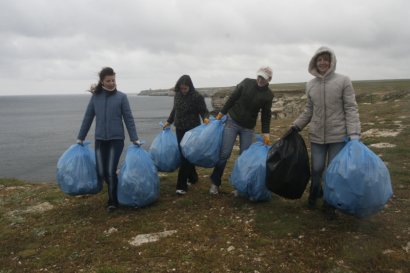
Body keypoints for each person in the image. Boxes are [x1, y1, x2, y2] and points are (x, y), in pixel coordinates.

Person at [291, 46, 361, 219]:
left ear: (332, 61)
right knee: (316, 168)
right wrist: (296, 126)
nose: (322, 62)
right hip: (316, 135)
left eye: (325, 59)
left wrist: (354, 134)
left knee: (332, 170)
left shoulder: (343, 81)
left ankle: (329, 203)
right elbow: (309, 110)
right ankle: (315, 191)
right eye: (319, 59)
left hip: (338, 135)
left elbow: (351, 108)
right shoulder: (310, 84)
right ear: (315, 62)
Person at [77, 67, 140, 212]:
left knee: (110, 171)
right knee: (101, 171)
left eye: (113, 80)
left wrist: (134, 138)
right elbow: (88, 117)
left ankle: (113, 201)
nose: (112, 83)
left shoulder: (122, 97)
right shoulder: (96, 97)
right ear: (102, 81)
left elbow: (128, 118)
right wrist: (81, 137)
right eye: (108, 81)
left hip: (116, 139)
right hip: (100, 139)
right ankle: (119, 189)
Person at [209, 66, 274, 194]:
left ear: (269, 79)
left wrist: (266, 134)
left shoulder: (268, 95)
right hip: (232, 121)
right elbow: (232, 98)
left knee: (244, 157)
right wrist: (221, 113)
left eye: (264, 78)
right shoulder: (246, 83)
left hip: (248, 128)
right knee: (224, 154)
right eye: (259, 76)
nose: (260, 80)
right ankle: (215, 183)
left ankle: (239, 186)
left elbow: (266, 115)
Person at [163, 75, 209, 195]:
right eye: (181, 88)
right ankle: (193, 177)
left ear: (190, 86)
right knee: (185, 154)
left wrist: (206, 119)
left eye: (185, 88)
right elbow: (175, 110)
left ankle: (181, 186)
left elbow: (204, 111)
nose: (183, 90)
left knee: (185, 156)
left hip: (192, 130)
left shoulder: (197, 97)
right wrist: (169, 121)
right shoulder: (177, 94)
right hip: (179, 128)